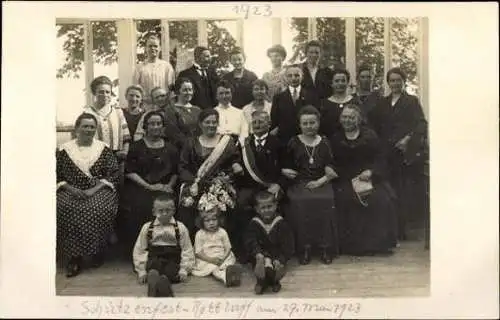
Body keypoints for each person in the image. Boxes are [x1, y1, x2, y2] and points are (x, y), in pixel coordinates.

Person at [368, 67, 428, 241]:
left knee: (402, 192)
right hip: (386, 154)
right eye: (392, 80)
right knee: (388, 190)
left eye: (398, 80)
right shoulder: (383, 103)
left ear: (404, 81)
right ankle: (389, 230)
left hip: (403, 154)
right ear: (388, 83)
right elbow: (372, 122)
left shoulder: (411, 101)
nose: (395, 83)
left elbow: (421, 124)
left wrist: (408, 139)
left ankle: (401, 230)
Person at [56, 113, 120, 277]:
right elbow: (56, 174)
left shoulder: (103, 149)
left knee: (96, 207)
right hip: (70, 189)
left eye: (92, 127)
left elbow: (113, 174)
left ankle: (97, 251)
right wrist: (70, 188)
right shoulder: (64, 149)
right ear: (77, 128)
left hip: (99, 188)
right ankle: (74, 258)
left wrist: (93, 190)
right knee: (66, 207)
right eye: (85, 126)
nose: (89, 130)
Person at [329, 104, 398, 256]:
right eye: (344, 117)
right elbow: (332, 161)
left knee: (381, 199)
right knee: (346, 199)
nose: (347, 120)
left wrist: (371, 171)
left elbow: (380, 158)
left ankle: (377, 245)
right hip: (345, 179)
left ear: (359, 119)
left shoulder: (370, 136)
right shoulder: (336, 138)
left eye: (351, 117)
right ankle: (352, 247)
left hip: (368, 177)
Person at [282, 106, 338, 265]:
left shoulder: (325, 141)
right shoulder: (293, 142)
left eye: (312, 123)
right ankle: (304, 248)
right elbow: (286, 163)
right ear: (300, 125)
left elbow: (332, 164)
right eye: (305, 123)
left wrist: (320, 181)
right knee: (301, 202)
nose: (309, 126)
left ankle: (325, 247)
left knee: (326, 200)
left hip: (321, 181)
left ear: (318, 123)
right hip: (300, 182)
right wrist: (285, 170)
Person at [118, 111, 179, 256]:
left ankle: (165, 250)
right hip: (141, 187)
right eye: (152, 123)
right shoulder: (136, 147)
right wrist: (149, 186)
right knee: (141, 206)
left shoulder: (171, 148)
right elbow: (130, 172)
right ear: (145, 126)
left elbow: (176, 172)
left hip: (164, 188)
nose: (155, 126)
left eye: (159, 123)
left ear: (163, 127)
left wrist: (169, 186)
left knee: (169, 205)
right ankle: (140, 251)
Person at [178, 108, 244, 239]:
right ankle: (195, 244)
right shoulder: (191, 142)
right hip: (195, 183)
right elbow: (182, 166)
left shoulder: (227, 142)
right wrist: (194, 181)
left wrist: (231, 170)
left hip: (220, 184)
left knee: (227, 205)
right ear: (200, 124)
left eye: (214, 122)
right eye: (207, 122)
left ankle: (222, 243)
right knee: (187, 205)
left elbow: (235, 161)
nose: (211, 125)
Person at [235, 110, 284, 262]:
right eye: (254, 122)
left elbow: (286, 168)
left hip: (270, 186)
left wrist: (278, 184)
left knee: (274, 205)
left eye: (261, 122)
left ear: (269, 124)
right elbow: (235, 158)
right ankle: (246, 250)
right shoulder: (244, 144)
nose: (257, 125)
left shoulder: (277, 142)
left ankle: (275, 250)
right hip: (249, 187)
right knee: (240, 205)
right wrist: (235, 163)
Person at [133, 193, 195, 297]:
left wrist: (184, 270)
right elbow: (140, 250)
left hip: (173, 259)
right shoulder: (148, 227)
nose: (165, 213)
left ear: (174, 211)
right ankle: (157, 282)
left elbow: (187, 249)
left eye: (168, 210)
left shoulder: (180, 227)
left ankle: (159, 285)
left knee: (171, 273)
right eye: (160, 211)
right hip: (154, 258)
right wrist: (141, 271)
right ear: (154, 212)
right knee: (153, 269)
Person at [244, 191, 294, 294]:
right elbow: (251, 240)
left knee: (275, 266)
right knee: (262, 264)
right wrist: (257, 253)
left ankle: (269, 281)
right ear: (257, 209)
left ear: (275, 206)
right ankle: (268, 282)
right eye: (263, 208)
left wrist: (281, 258)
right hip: (260, 255)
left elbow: (288, 244)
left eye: (269, 206)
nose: (266, 210)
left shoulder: (281, 223)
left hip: (276, 255)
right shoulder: (254, 223)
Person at [83, 75, 130, 163]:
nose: (105, 95)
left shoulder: (118, 111)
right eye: (101, 92)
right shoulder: (88, 113)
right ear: (94, 93)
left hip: (117, 158)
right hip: (94, 158)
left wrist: (124, 152)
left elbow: (126, 135)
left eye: (107, 92)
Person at [192, 207, 243, 287]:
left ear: (219, 220)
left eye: (214, 219)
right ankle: (226, 279)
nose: (211, 223)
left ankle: (231, 272)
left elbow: (228, 248)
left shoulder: (222, 232)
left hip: (222, 256)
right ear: (202, 222)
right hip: (207, 258)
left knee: (225, 265)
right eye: (207, 221)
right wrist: (211, 260)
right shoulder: (200, 234)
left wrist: (223, 258)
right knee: (215, 269)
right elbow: (198, 252)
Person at [270, 65, 315, 152]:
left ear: (302, 76)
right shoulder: (278, 97)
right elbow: (274, 121)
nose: (293, 78)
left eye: (297, 75)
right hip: (285, 141)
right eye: (290, 76)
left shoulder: (311, 96)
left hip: (306, 139)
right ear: (285, 78)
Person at [133, 34, 176, 111]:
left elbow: (171, 89)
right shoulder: (139, 68)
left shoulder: (166, 66)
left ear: (159, 48)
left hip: (164, 107)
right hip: (146, 107)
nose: (153, 48)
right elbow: (136, 90)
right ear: (146, 48)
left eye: (155, 46)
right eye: (150, 46)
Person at [319, 69, 361, 138]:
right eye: (337, 81)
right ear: (331, 83)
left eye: (343, 81)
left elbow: (360, 125)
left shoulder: (355, 102)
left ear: (347, 83)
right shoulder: (324, 104)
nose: (340, 83)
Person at [300, 40, 333, 107]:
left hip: (323, 108)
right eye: (311, 52)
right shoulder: (299, 70)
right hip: (304, 108)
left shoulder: (327, 71)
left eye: (317, 52)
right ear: (306, 53)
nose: (314, 55)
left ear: (320, 54)